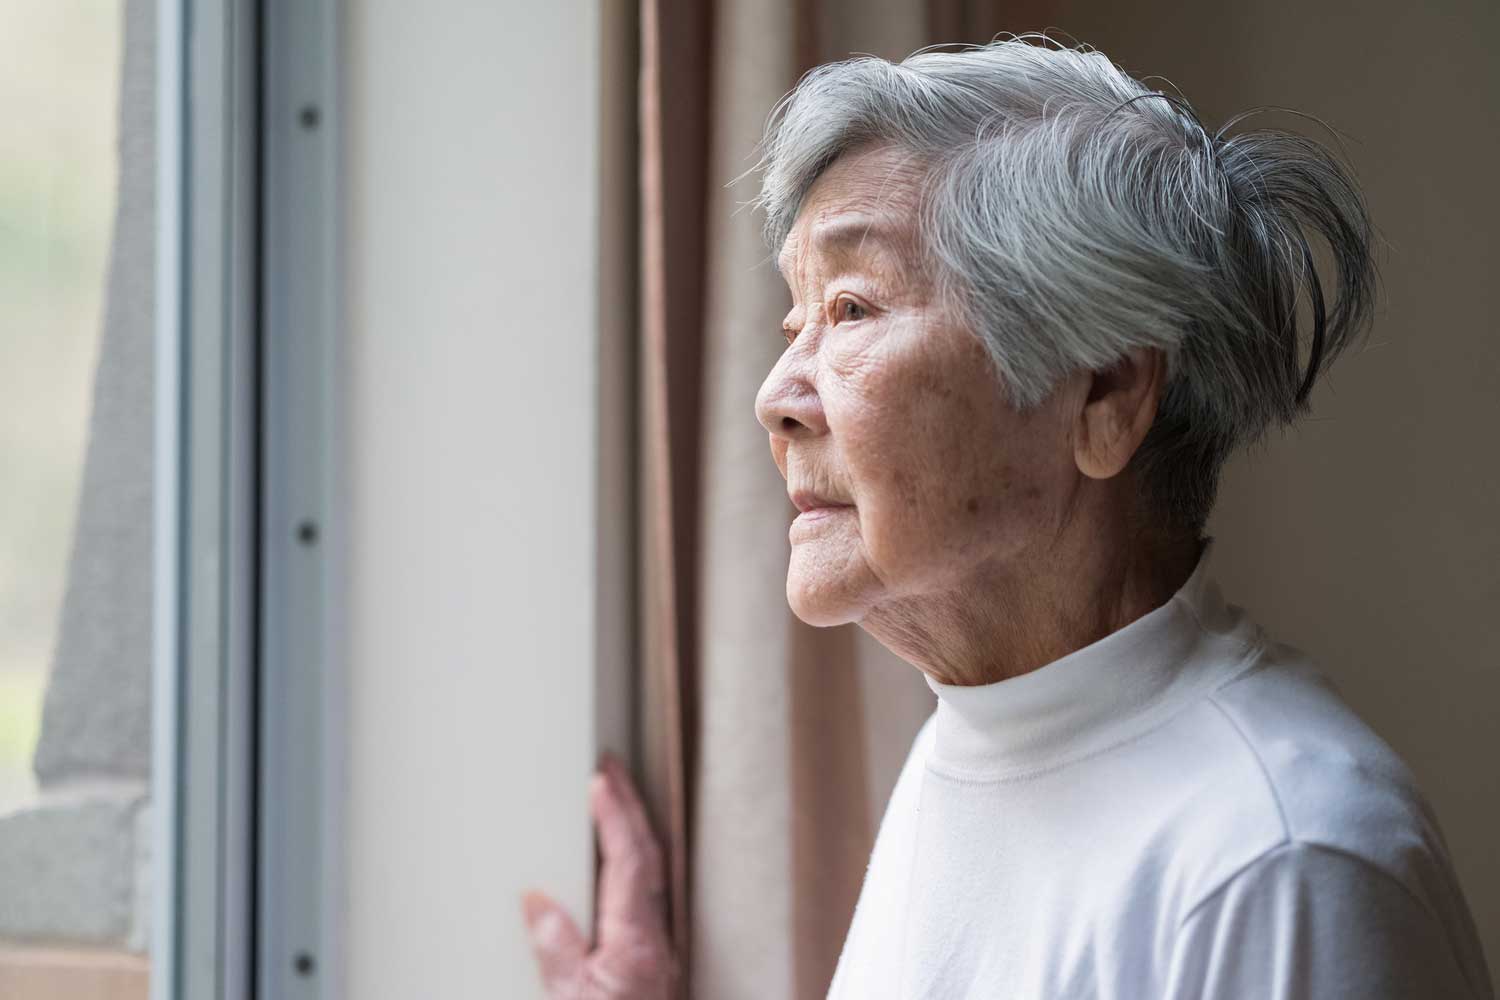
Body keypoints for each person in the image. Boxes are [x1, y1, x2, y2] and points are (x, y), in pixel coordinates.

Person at [522, 37, 1496, 999]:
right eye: (797, 322)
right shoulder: (977, 740)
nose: (777, 394)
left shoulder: (1284, 864)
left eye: (853, 309)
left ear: (1107, 393)